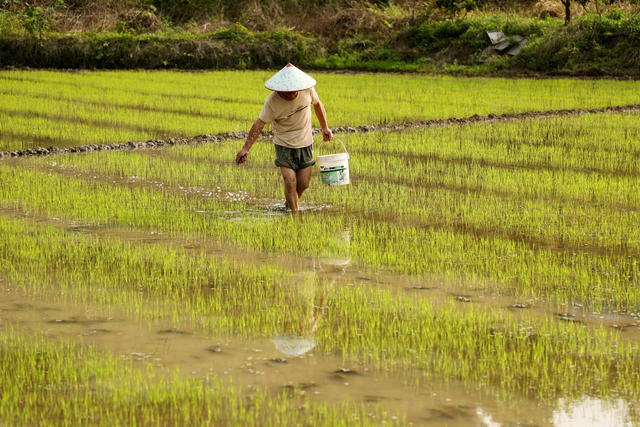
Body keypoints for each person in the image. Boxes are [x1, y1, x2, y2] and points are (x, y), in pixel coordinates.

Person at [235, 63, 333, 213]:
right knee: (290, 181)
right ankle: (294, 214)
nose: (292, 94)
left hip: (305, 142)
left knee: (304, 183)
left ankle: (289, 204)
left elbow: (318, 105)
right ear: (279, 90)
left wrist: (324, 127)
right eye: (287, 92)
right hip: (284, 144)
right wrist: (245, 148)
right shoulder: (272, 101)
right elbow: (259, 124)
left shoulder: (308, 90)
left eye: (294, 91)